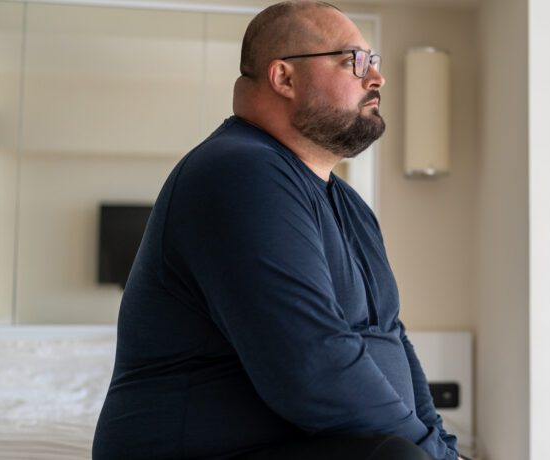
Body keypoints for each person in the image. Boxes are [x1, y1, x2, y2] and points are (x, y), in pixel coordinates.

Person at [91, 2, 462, 459]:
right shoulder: (239, 172)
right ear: (284, 78)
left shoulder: (350, 206)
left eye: (375, 62)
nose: (376, 78)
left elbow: (392, 337)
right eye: (354, 61)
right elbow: (312, 366)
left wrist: (444, 447)